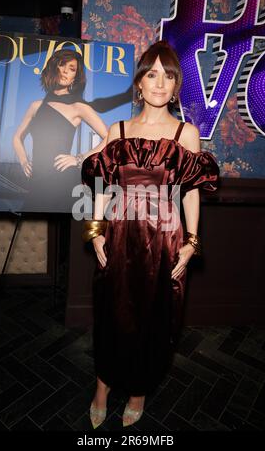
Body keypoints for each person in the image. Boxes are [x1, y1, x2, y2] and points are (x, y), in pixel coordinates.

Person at [81, 40, 219, 428]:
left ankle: (139, 391)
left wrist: (192, 243)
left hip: (165, 239)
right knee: (110, 315)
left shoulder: (186, 133)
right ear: (139, 82)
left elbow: (191, 191)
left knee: (154, 320)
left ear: (176, 86)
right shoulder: (117, 129)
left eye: (169, 75)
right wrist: (95, 233)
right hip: (119, 235)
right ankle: (103, 387)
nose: (160, 83)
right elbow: (101, 186)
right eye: (152, 74)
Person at [13, 49, 109, 212]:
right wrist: (23, 161)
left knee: (62, 234)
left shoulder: (78, 107)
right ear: (54, 67)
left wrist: (79, 159)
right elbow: (17, 138)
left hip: (63, 181)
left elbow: (110, 137)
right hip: (37, 181)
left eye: (72, 69)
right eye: (62, 65)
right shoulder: (36, 106)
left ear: (75, 77)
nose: (65, 71)